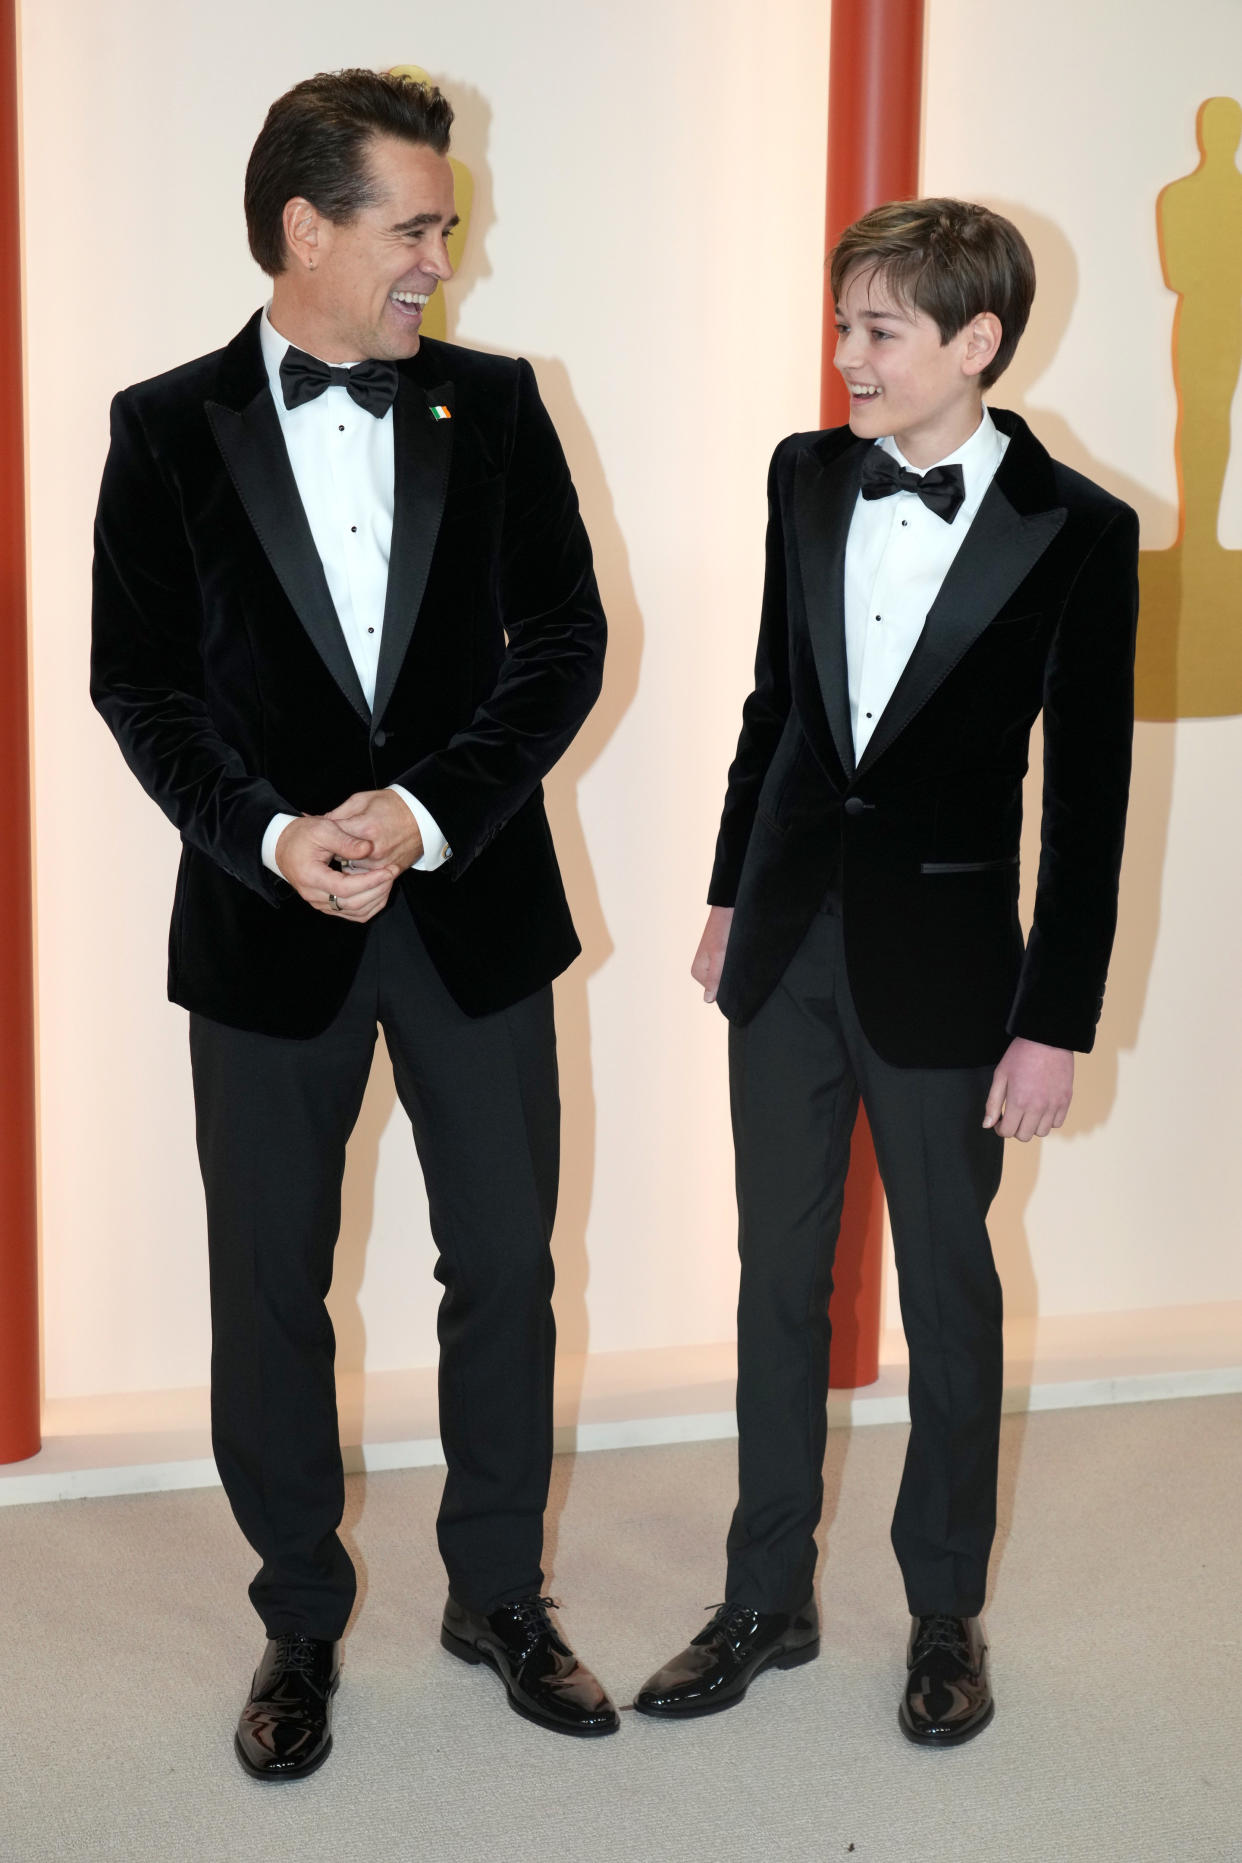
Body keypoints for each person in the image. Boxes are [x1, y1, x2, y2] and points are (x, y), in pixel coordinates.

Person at [91, 69, 616, 1780]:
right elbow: (141, 683)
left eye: (444, 230)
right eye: (412, 228)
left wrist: (426, 810)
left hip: (474, 916)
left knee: (506, 1277)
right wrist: (271, 833)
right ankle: (298, 1617)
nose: (437, 266)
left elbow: (561, 643)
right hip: (263, 927)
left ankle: (496, 1596)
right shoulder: (161, 426)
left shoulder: (502, 403)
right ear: (305, 228)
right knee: (268, 1289)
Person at [635, 198, 1138, 1744]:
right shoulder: (802, 474)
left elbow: (1095, 798)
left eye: (878, 331)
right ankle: (762, 1598)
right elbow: (771, 707)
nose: (844, 356)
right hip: (784, 950)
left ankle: (941, 1618)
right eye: (840, 323)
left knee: (948, 1293)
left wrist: (1053, 1022)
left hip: (946, 975)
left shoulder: (1083, 530)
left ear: (974, 343)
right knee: (774, 1282)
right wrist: (730, 892)